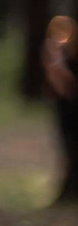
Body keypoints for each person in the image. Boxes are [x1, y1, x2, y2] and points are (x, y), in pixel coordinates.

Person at [46, 15, 77, 206]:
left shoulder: (71, 51)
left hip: (73, 105)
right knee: (66, 144)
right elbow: (59, 83)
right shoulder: (53, 50)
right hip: (64, 105)